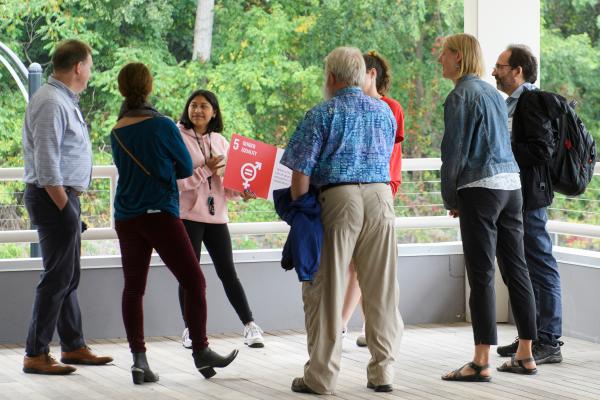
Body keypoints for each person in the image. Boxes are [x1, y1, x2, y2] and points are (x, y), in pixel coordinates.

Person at [282, 46, 403, 394]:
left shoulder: (321, 114)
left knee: (328, 289)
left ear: (331, 78)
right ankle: (383, 372)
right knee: (382, 290)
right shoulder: (384, 113)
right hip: (381, 198)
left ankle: (321, 376)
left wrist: (300, 212)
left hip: (339, 199)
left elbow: (300, 175)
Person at [111, 63, 237, 384]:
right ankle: (201, 350)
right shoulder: (164, 125)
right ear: (149, 87)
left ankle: (139, 360)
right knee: (195, 282)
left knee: (134, 288)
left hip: (126, 217)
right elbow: (183, 168)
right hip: (160, 214)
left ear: (122, 88)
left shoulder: (117, 128)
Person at [438, 33, 538, 382]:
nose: (440, 60)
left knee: (481, 274)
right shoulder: (495, 95)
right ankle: (526, 353)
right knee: (517, 269)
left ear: (459, 58)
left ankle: (481, 361)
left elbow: (454, 154)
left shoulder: (460, 96)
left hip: (480, 190)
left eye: (445, 54)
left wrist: (451, 198)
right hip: (511, 186)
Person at [22, 39, 113, 375]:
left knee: (67, 275)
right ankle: (36, 352)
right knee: (56, 277)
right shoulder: (50, 102)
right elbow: (47, 165)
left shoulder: (62, 99)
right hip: (52, 198)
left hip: (61, 198)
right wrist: (67, 208)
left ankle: (73, 345)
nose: (90, 72)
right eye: (89, 65)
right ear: (78, 67)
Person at [175, 89, 264, 349]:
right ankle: (190, 331)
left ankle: (249, 326)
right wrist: (205, 170)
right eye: (193, 105)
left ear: (214, 112)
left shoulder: (222, 142)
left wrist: (244, 193)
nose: (198, 111)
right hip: (187, 217)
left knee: (228, 273)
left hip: (216, 219)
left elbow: (228, 186)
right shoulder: (177, 138)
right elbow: (176, 183)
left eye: (204, 106)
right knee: (188, 277)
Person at [493, 45, 563, 364]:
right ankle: (529, 337)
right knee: (521, 264)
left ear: (517, 71)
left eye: (500, 66)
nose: (495, 71)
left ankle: (547, 339)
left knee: (539, 262)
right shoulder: (512, 105)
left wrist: (505, 153)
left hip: (530, 196)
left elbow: (541, 150)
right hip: (516, 194)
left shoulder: (531, 102)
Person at [341, 51, 405, 348]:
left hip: (380, 189)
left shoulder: (390, 108)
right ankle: (366, 327)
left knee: (368, 265)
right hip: (357, 191)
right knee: (360, 263)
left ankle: (344, 324)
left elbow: (389, 154)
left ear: (373, 75)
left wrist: (387, 188)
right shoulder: (349, 107)